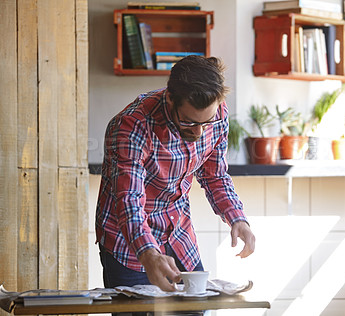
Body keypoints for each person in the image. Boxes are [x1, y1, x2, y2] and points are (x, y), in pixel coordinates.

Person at [95, 55, 256, 304]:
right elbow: (129, 200)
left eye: (206, 122)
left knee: (196, 309)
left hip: (178, 233)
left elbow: (214, 174)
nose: (199, 131)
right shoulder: (131, 125)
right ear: (170, 98)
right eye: (189, 121)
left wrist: (236, 217)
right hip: (129, 242)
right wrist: (149, 253)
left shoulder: (216, 112)